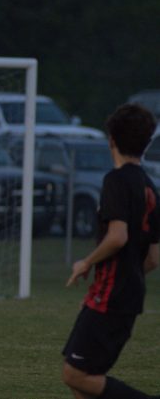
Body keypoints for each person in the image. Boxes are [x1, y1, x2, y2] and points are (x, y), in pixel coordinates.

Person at [62, 104, 160, 399]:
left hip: (111, 295)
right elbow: (154, 258)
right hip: (127, 294)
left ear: (112, 140)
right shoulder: (150, 187)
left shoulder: (115, 180)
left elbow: (118, 236)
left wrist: (86, 263)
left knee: (75, 374)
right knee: (86, 378)